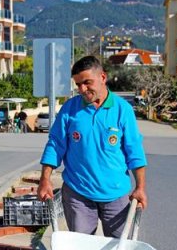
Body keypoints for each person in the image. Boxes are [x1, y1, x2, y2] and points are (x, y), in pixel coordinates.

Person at [37, 55, 147, 238]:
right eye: (78, 84)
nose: (82, 89)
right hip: (78, 193)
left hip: (116, 194)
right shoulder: (70, 109)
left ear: (103, 77)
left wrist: (140, 187)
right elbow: (55, 145)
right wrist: (45, 179)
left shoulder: (122, 110)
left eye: (87, 82)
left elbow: (134, 151)